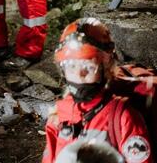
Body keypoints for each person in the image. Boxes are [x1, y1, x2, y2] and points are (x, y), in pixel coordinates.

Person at [43, 18, 153, 163]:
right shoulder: (58, 117)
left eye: (88, 66)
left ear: (105, 68)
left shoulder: (123, 117)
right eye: (71, 66)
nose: (79, 74)